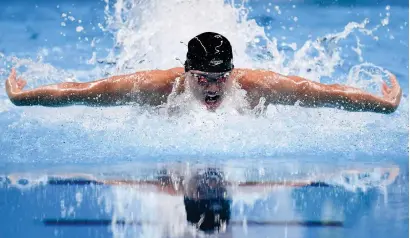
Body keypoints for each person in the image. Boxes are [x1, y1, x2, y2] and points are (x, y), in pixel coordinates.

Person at [4, 32, 402, 113]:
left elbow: (326, 92)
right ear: (186, 72)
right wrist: (24, 96)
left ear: (233, 71)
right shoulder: (157, 87)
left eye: (220, 78)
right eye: (202, 79)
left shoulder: (257, 86)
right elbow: (84, 90)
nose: (213, 89)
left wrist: (383, 105)